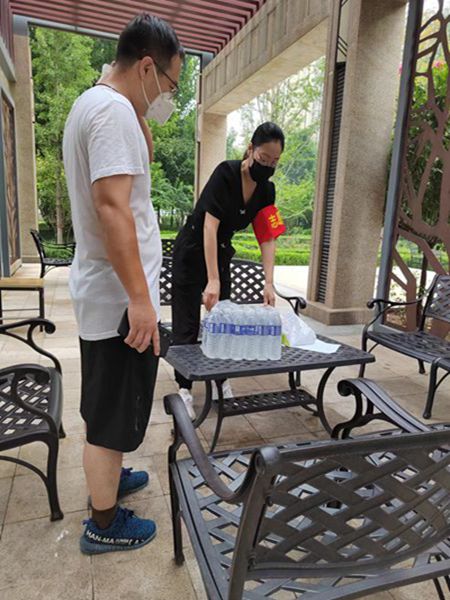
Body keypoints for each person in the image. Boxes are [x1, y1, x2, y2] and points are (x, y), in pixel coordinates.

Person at [63, 14, 183, 554]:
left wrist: (140, 114)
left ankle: (110, 476)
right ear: (147, 67)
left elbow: (136, 175)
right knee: (110, 414)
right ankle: (103, 522)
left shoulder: (104, 106)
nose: (169, 97)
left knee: (111, 404)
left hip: (106, 293)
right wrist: (140, 299)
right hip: (118, 298)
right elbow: (113, 209)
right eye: (171, 84)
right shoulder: (111, 113)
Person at [171, 122, 286, 417]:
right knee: (186, 324)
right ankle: (184, 389)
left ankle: (220, 379)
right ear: (250, 149)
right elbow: (209, 226)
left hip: (220, 253)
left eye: (274, 162)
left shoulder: (267, 190)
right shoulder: (225, 173)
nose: (268, 167)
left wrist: (269, 282)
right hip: (192, 250)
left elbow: (268, 236)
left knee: (223, 320)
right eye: (263, 159)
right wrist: (212, 280)